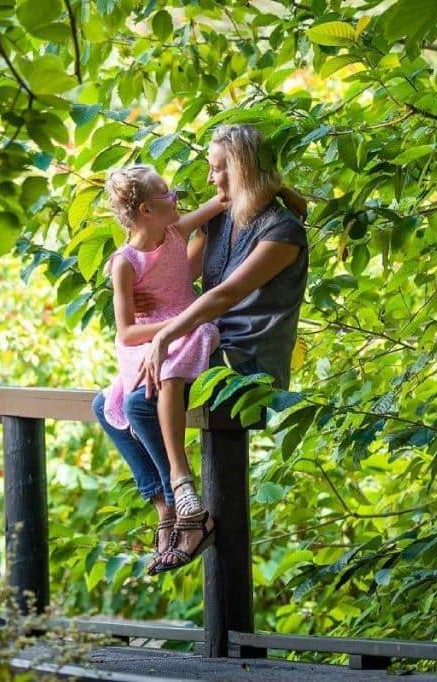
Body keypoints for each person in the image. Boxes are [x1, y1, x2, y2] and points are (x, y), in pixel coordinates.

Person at [91, 123, 309, 575]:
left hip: (244, 355)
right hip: (201, 334)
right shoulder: (219, 218)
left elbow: (224, 295)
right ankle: (172, 509)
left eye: (217, 170)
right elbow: (180, 277)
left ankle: (185, 508)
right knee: (105, 403)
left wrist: (165, 335)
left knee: (139, 403)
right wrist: (142, 292)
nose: (209, 180)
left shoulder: (282, 233)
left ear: (242, 170)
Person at [98, 164, 227, 575]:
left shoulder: (176, 231)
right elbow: (126, 331)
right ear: (144, 210)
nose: (176, 202)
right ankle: (164, 503)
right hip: (150, 336)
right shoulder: (125, 262)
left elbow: (222, 201)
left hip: (186, 329)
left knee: (141, 401)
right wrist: (168, 329)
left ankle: (179, 486)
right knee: (105, 407)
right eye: (167, 197)